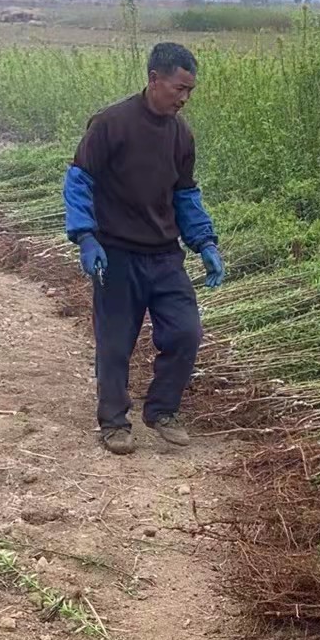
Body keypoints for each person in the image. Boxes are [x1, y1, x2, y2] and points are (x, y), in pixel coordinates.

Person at [63, 42, 225, 456]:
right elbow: (79, 182)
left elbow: (185, 195)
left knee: (186, 332)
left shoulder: (180, 135)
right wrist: (86, 237)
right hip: (115, 255)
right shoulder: (110, 124)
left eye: (190, 90)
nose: (184, 98)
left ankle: (163, 410)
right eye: (178, 88)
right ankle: (114, 422)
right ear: (154, 79)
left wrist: (204, 241)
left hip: (164, 255)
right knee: (115, 343)